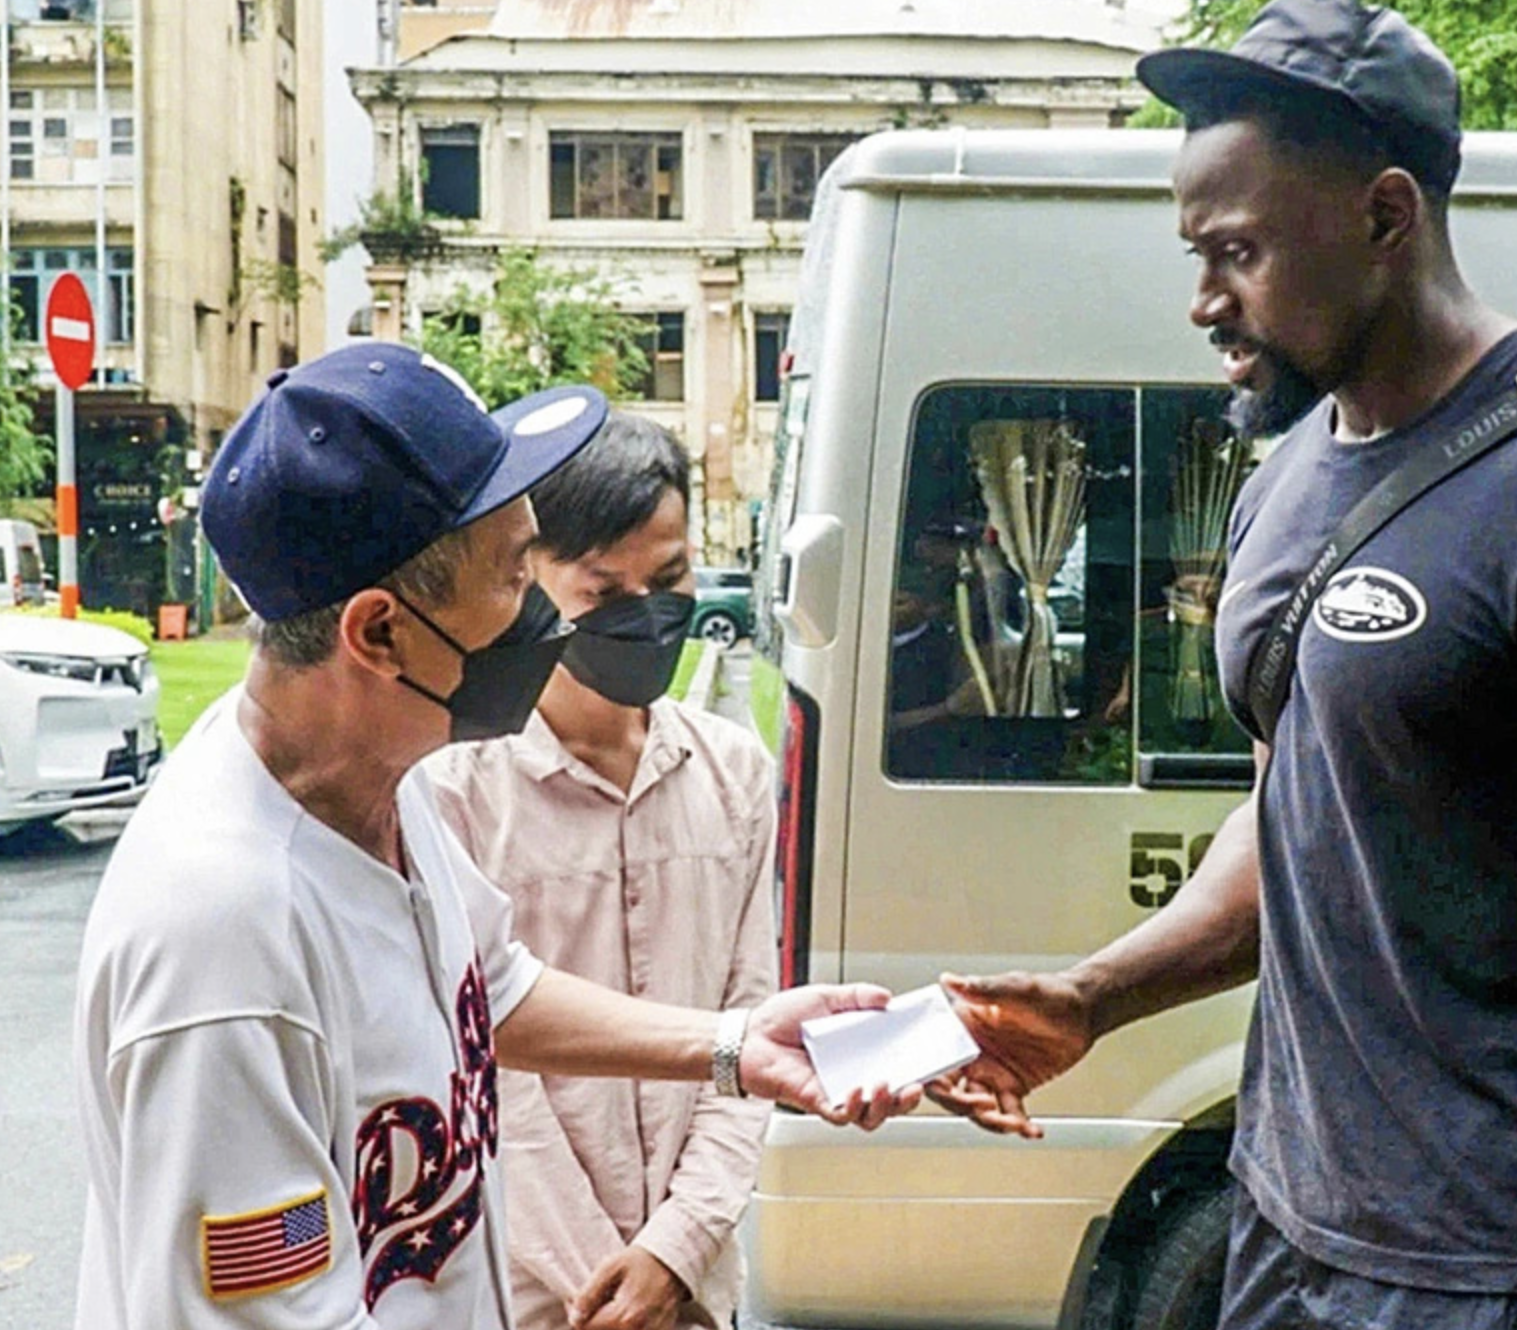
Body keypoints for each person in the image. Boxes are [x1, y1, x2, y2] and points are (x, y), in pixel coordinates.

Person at [928, 5, 1517, 1330]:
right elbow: (1301, 805)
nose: (1201, 300)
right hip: (1291, 1233)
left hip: (1511, 1271)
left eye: (1236, 252)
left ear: (1386, 215)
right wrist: (1093, 997)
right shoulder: (1285, 473)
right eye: (1193, 252)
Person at [72, 345, 913, 1330]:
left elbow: (492, 985)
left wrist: (733, 1044)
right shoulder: (222, 944)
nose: (544, 619)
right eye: (518, 576)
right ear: (380, 634)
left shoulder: (368, 782)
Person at [416, 412, 771, 1330]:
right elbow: (480, 1058)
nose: (644, 612)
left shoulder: (736, 777)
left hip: (693, 1293)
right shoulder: (454, 791)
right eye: (603, 589)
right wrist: (605, 1284)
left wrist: (676, 1250)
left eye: (669, 579)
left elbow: (748, 1030)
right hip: (531, 1294)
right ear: (530, 579)